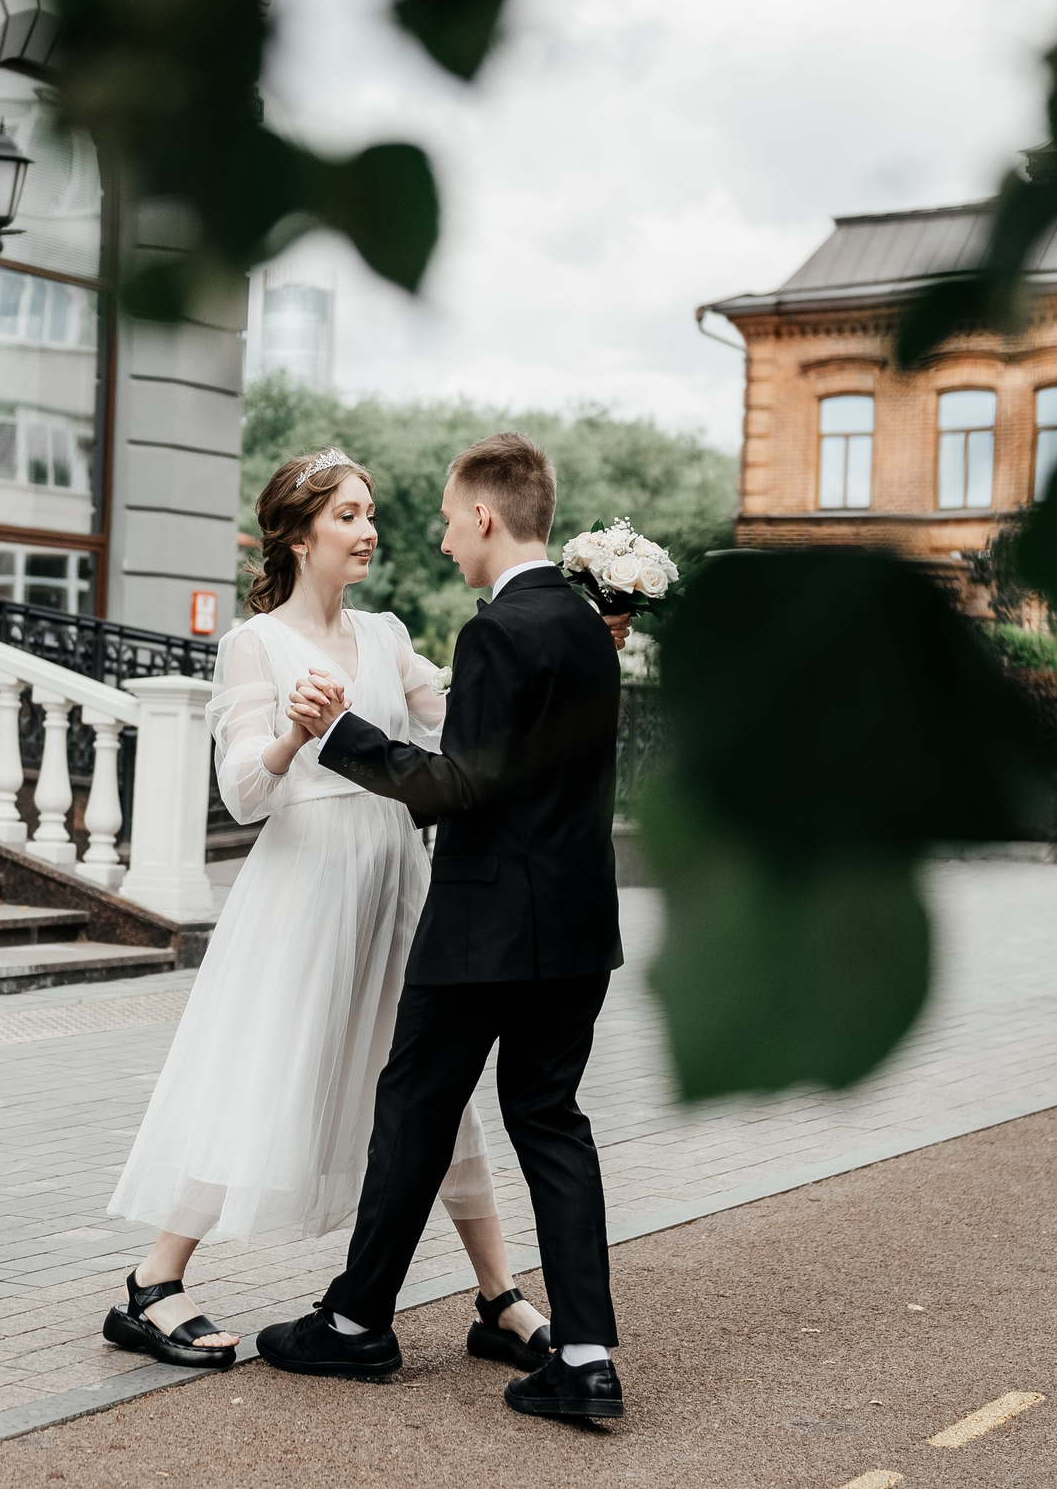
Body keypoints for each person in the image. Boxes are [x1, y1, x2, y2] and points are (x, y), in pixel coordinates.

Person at [100, 447, 557, 1378]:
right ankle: (153, 1282)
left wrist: (562, 654)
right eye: (348, 513)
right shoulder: (255, 644)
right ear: (300, 535)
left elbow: (459, 720)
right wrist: (293, 734)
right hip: (304, 890)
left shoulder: (386, 635)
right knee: (264, 1068)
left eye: (371, 511)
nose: (369, 529)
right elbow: (242, 792)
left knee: (437, 1085)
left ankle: (498, 1295)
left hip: (397, 883)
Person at [257, 431, 629, 1423]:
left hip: (483, 926)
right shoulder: (591, 625)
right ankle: (584, 1356)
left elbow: (459, 786)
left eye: (448, 518)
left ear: (485, 515)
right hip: (579, 925)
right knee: (551, 1120)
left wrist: (339, 735)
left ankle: (353, 1322)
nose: (440, 536)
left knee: (414, 1109)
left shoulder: (496, 630)